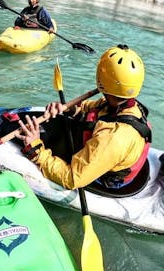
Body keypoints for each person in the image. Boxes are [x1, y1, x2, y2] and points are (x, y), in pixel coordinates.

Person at [15, 44, 152, 191]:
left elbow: (71, 178)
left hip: (99, 178)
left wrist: (36, 150)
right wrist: (70, 109)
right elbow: (89, 108)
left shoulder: (113, 137)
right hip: (107, 151)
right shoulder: (124, 105)